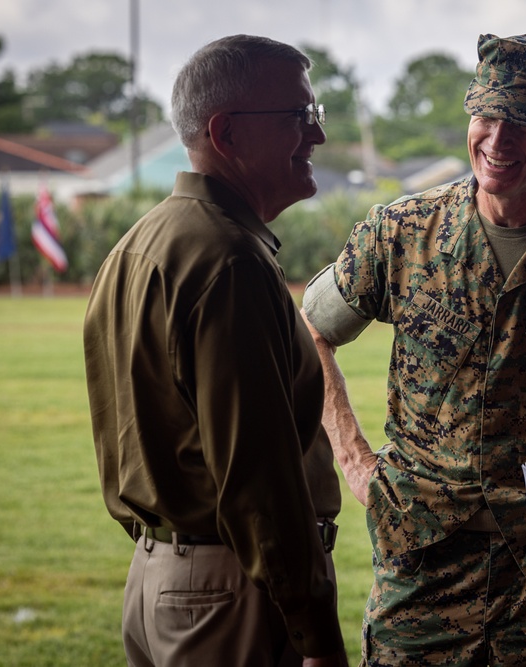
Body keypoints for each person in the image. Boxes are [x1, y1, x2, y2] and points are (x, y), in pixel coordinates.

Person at [301, 33, 526, 665]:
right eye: (487, 116)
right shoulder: (400, 233)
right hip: (421, 566)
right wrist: (356, 460)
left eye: (524, 123)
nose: (498, 141)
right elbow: (309, 332)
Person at [82, 34, 347, 667]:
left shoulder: (141, 243)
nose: (317, 137)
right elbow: (257, 474)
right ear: (225, 133)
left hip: (161, 578)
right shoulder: (228, 260)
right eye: (299, 116)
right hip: (232, 592)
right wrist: (314, 631)